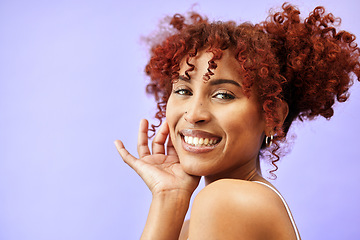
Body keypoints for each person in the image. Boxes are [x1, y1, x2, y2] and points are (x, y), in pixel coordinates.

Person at [115, 3, 360, 240]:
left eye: (223, 95)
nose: (193, 114)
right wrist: (168, 197)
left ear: (272, 115)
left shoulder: (226, 201)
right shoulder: (191, 224)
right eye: (183, 91)